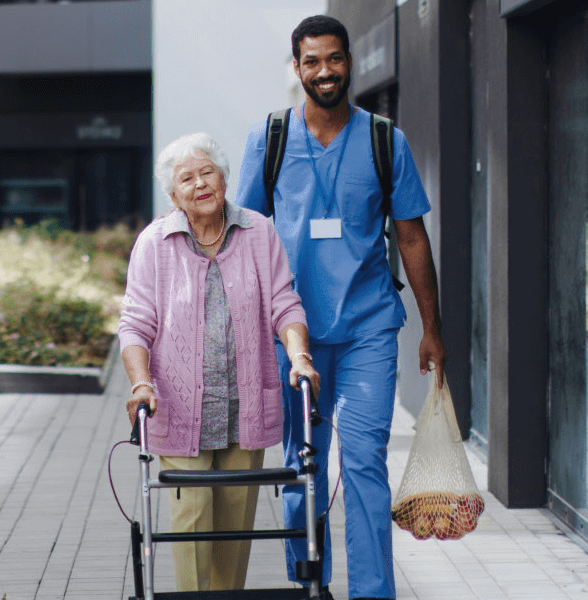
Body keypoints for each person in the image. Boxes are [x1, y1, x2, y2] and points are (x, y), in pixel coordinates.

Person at [232, 15, 445, 600]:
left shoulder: (383, 139)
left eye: (333, 59)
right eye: (311, 61)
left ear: (350, 61)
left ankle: (373, 593)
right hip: (293, 333)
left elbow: (411, 237)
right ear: (296, 67)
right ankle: (309, 587)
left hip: (368, 328)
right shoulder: (269, 139)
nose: (324, 71)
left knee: (365, 463)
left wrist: (432, 330)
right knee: (302, 467)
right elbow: (244, 236)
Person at [119, 133, 321, 593]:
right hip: (180, 410)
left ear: (225, 177)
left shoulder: (258, 231)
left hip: (244, 408)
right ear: (173, 196)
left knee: (235, 527)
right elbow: (134, 325)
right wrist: (140, 383)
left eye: (207, 172)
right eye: (186, 179)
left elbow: (285, 305)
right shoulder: (155, 242)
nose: (199, 184)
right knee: (191, 522)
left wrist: (300, 357)